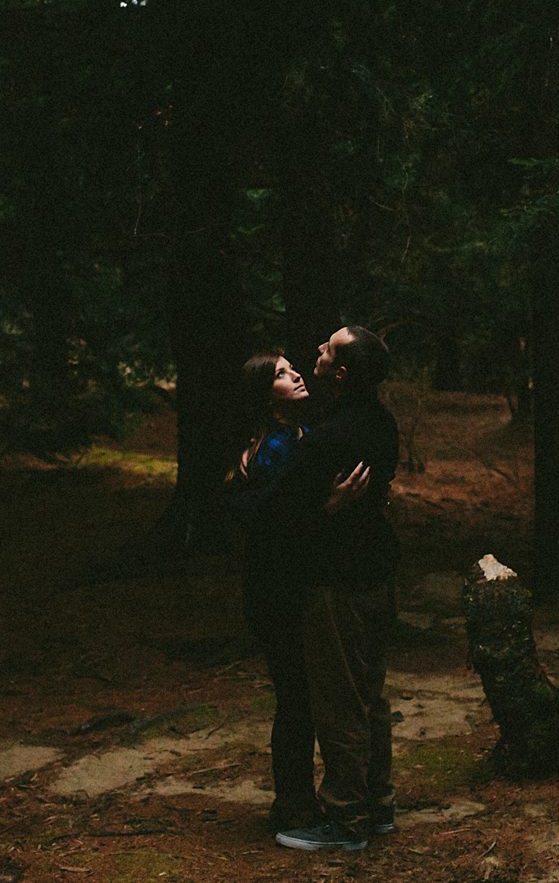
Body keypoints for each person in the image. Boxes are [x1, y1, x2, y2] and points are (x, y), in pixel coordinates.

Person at [272, 325, 400, 852]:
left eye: (325, 349)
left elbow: (281, 514)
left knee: (340, 702)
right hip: (377, 575)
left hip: (337, 586)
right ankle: (380, 805)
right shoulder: (382, 425)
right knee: (370, 695)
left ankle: (346, 820)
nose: (316, 352)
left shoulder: (330, 437)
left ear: (341, 374)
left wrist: (322, 509)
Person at [230, 352, 322, 831]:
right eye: (282, 375)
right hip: (275, 590)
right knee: (295, 696)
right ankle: (293, 804)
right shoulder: (272, 449)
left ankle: (298, 798)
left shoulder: (295, 437)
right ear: (266, 396)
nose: (297, 374)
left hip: (289, 585)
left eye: (292, 368)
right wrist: (332, 506)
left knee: (301, 695)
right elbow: (273, 521)